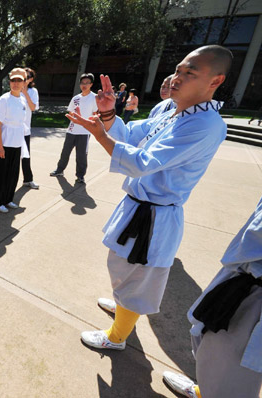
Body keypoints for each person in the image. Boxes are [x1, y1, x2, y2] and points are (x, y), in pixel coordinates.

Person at [66, 45, 232, 355]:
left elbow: (142, 162)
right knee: (122, 265)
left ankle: (117, 336)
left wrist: (101, 135)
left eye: (190, 73)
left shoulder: (205, 125)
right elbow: (130, 136)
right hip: (138, 206)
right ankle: (122, 308)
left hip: (154, 217)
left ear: (215, 80)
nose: (178, 78)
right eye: (179, 71)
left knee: (138, 276)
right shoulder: (170, 110)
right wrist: (108, 114)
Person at [163, 196, 262, 398]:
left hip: (253, 290)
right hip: (249, 280)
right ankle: (205, 390)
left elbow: (253, 237)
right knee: (218, 366)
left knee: (229, 375)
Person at [0, 68, 29, 213]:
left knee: (13, 174)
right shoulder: (4, 99)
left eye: (19, 80)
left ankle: (8, 199)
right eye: (13, 80)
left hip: (17, 143)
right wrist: (0, 146)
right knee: (1, 174)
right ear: (9, 82)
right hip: (5, 143)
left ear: (24, 83)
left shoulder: (22, 99)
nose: (16, 83)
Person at [50, 73, 98, 184]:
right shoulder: (76, 98)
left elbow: (95, 113)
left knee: (81, 155)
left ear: (91, 84)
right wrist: (74, 116)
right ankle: (59, 170)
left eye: (87, 83)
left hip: (85, 131)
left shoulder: (94, 98)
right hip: (72, 130)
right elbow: (70, 110)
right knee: (65, 152)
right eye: (82, 83)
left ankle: (80, 176)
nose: (84, 85)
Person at [21, 67, 40, 189]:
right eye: (23, 76)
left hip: (25, 130)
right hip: (12, 130)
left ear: (31, 79)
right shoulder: (14, 90)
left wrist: (25, 93)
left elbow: (33, 107)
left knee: (25, 156)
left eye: (27, 77)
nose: (24, 79)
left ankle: (28, 179)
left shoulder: (33, 92)